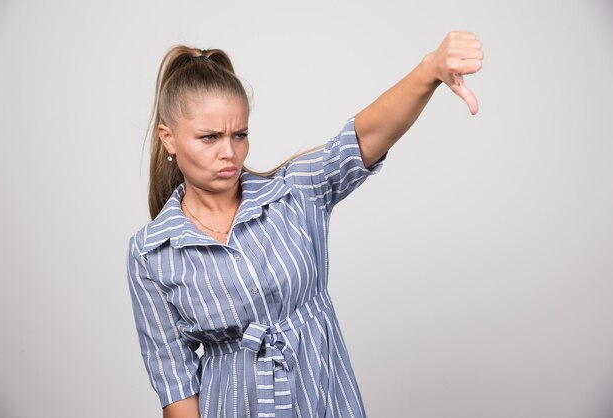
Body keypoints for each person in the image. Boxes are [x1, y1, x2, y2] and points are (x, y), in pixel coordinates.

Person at [127, 31, 483, 418]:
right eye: (209, 137)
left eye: (240, 134)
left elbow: (360, 139)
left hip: (325, 402)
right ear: (169, 138)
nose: (229, 152)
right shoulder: (150, 253)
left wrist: (429, 70)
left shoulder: (293, 194)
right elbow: (175, 383)